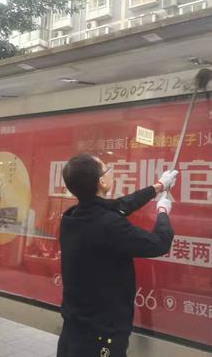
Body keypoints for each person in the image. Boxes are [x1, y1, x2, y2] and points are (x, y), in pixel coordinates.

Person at [57, 153, 178, 357]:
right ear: (102, 181)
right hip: (102, 335)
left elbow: (121, 205)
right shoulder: (108, 224)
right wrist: (163, 212)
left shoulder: (72, 216)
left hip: (74, 330)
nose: (110, 171)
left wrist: (158, 187)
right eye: (107, 168)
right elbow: (159, 243)